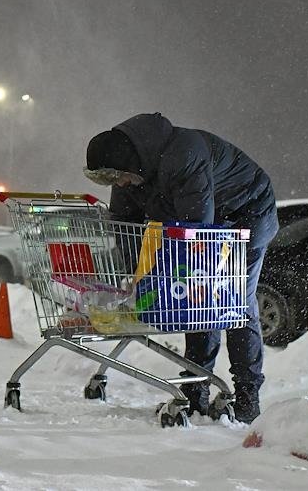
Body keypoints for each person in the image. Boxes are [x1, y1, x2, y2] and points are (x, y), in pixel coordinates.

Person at [83, 112, 278, 424]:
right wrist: (136, 276)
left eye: (116, 177)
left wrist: (169, 276)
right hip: (206, 221)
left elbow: (194, 230)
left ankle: (247, 394)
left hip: (247, 214)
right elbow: (124, 225)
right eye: (111, 181)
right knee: (196, 302)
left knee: (234, 301)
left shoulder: (184, 154)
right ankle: (195, 387)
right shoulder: (129, 172)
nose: (117, 184)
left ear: (128, 163)